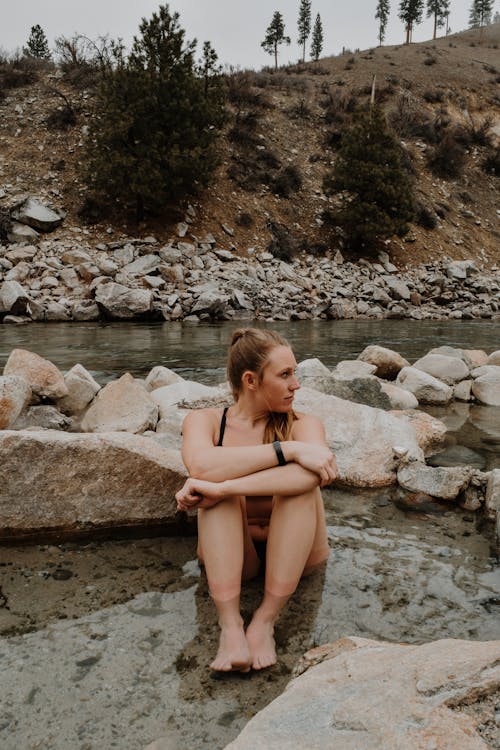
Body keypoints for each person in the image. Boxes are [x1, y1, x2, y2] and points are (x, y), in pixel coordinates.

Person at [175, 327, 338, 672]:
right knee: (212, 486)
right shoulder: (204, 421)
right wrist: (288, 450)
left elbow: (314, 474)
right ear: (251, 380)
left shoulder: (304, 423)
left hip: (300, 553)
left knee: (296, 489)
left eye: (295, 373)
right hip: (236, 554)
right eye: (285, 375)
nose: (297, 385)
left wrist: (225, 488)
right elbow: (201, 465)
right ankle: (230, 624)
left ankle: (265, 618)